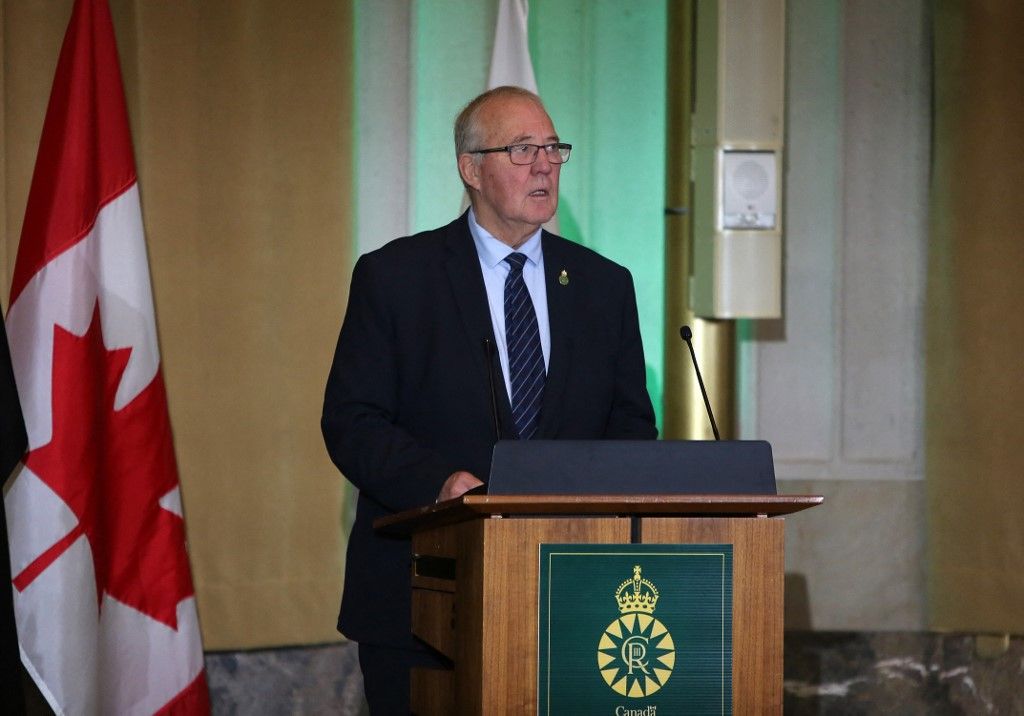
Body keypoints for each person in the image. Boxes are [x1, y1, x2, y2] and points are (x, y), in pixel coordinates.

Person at [321, 85, 657, 713]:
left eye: (554, 148)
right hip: (422, 595)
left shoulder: (604, 286)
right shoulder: (395, 277)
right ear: (470, 169)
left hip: (570, 598)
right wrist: (441, 483)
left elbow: (631, 427)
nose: (545, 164)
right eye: (522, 149)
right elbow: (352, 421)